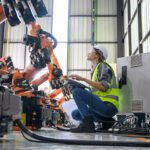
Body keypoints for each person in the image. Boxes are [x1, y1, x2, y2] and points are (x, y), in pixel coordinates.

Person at [69, 45, 119, 133]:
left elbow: (103, 87)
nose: (88, 53)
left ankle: (88, 125)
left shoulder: (103, 66)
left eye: (90, 51)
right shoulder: (95, 69)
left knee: (76, 92)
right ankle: (107, 122)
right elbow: (96, 92)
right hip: (101, 106)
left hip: (108, 106)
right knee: (75, 114)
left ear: (97, 55)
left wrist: (83, 79)